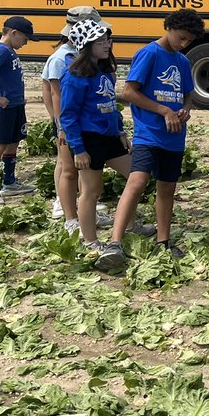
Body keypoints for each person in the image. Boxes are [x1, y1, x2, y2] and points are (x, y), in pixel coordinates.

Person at [103, 9, 206, 270]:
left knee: (167, 188)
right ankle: (115, 242)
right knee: (137, 181)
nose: (184, 44)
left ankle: (164, 241)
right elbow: (128, 92)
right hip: (148, 133)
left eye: (189, 41)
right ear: (169, 28)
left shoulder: (182, 61)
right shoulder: (149, 53)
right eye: (181, 37)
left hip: (174, 136)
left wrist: (185, 109)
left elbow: (187, 95)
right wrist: (163, 110)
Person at [58, 20, 131, 256]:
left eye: (107, 40)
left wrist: (120, 131)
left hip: (110, 137)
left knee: (136, 176)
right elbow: (68, 116)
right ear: (86, 45)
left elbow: (111, 105)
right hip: (88, 139)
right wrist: (78, 149)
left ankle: (129, 224)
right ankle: (89, 240)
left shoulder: (105, 71)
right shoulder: (74, 76)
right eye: (100, 41)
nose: (107, 44)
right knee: (91, 190)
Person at [42, 6, 112, 226]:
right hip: (67, 122)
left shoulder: (85, 57)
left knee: (80, 171)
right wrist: (61, 126)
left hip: (79, 123)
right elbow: (56, 93)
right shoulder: (61, 58)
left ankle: (83, 214)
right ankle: (68, 216)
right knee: (68, 169)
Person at [0, 16, 37, 201]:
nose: (26, 43)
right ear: (14, 33)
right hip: (4, 107)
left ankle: (9, 182)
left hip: (16, 104)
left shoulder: (9, 50)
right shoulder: (2, 50)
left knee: (13, 142)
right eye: (25, 38)